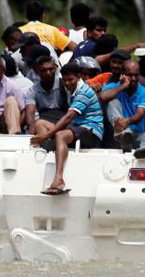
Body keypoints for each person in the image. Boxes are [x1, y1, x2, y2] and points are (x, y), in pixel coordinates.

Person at [31, 62, 104, 195]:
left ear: (79, 77)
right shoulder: (72, 90)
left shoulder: (83, 92)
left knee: (60, 135)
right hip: (77, 128)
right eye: (65, 80)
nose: (68, 83)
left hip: (92, 131)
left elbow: (69, 117)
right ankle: (46, 157)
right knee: (41, 123)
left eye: (71, 79)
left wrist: (46, 136)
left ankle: (59, 180)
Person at [99, 60, 145, 153]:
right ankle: (123, 134)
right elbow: (102, 97)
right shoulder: (112, 87)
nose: (133, 78)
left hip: (136, 135)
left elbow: (140, 113)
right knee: (113, 102)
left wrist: (127, 122)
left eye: (136, 75)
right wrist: (123, 86)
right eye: (130, 75)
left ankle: (143, 153)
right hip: (116, 135)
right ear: (122, 75)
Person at [29, 56, 68, 123]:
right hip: (44, 121)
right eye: (44, 70)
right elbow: (30, 112)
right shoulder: (33, 90)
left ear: (56, 68)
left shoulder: (65, 85)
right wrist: (31, 128)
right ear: (37, 72)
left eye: (51, 69)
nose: (48, 73)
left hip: (64, 121)